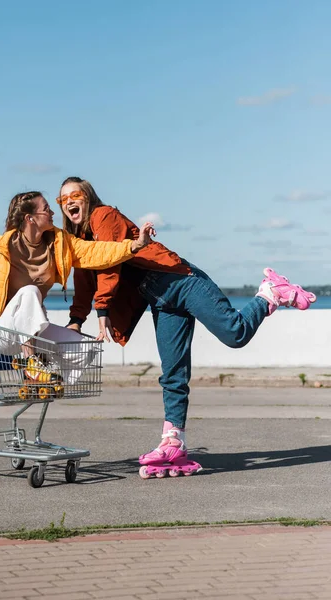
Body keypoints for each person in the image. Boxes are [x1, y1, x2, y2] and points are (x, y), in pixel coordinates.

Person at [58, 176, 317, 477]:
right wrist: (76, 321)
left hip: (179, 280)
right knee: (173, 374)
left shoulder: (103, 216)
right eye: (62, 200)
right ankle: (173, 441)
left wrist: (101, 308)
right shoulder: (80, 243)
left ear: (87, 196)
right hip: (160, 298)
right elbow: (83, 283)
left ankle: (269, 293)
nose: (69, 202)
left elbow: (110, 264)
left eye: (75, 195)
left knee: (235, 333)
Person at [0, 191, 154, 385]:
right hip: (4, 331)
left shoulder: (59, 243)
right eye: (46, 209)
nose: (53, 212)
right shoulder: (0, 247)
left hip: (32, 329)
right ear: (30, 218)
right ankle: (32, 365)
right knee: (30, 291)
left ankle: (45, 378)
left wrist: (134, 245)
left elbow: (95, 251)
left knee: (84, 348)